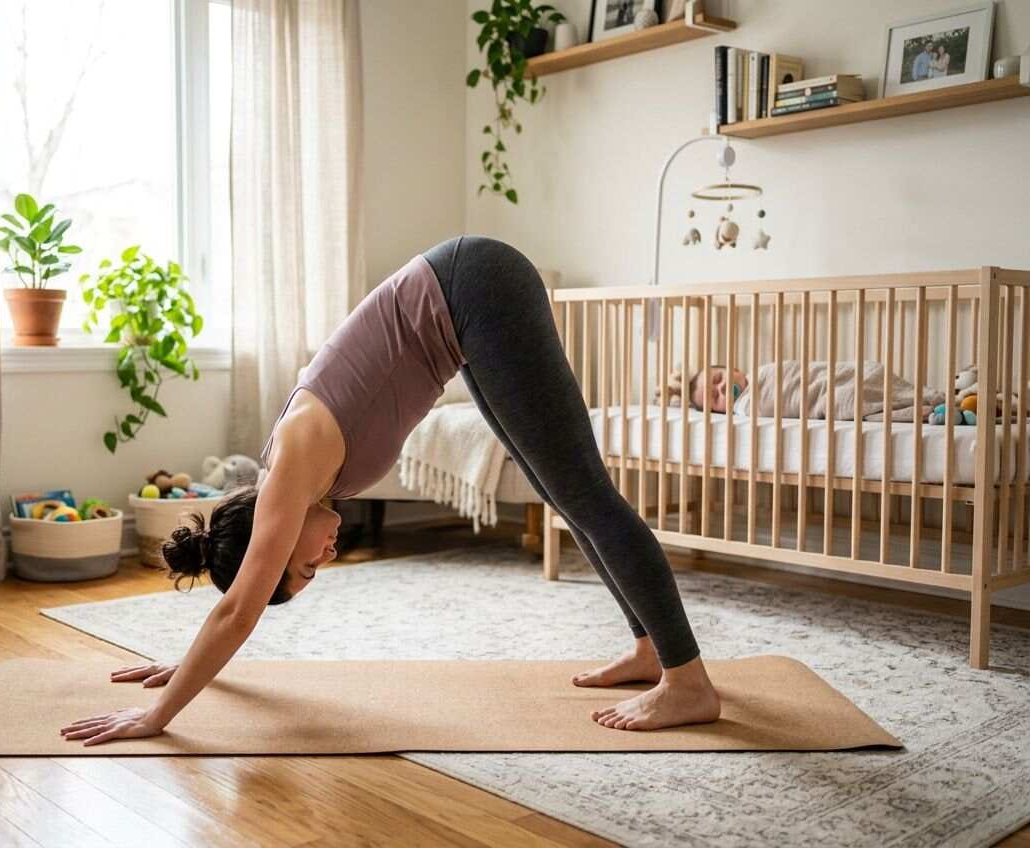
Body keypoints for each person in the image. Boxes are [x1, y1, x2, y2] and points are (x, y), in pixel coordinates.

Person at [60, 236, 721, 747]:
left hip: (476, 286)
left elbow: (239, 609)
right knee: (568, 495)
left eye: (308, 563)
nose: (327, 557)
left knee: (588, 494)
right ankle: (647, 647)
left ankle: (688, 680)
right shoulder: (293, 483)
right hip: (465, 310)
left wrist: (158, 714)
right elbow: (242, 602)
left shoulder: (292, 464)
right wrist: (186, 663)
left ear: (278, 533)